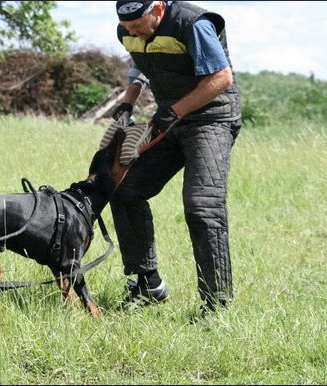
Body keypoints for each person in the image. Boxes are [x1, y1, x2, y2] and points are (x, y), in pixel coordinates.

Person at [109, 0, 242, 315]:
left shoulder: (192, 24)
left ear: (157, 8)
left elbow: (222, 78)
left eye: (138, 25)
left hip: (212, 120)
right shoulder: (128, 30)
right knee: (124, 188)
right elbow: (142, 61)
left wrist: (175, 111)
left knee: (202, 206)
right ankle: (148, 284)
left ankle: (216, 305)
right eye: (127, 28)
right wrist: (128, 101)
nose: (132, 33)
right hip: (171, 121)